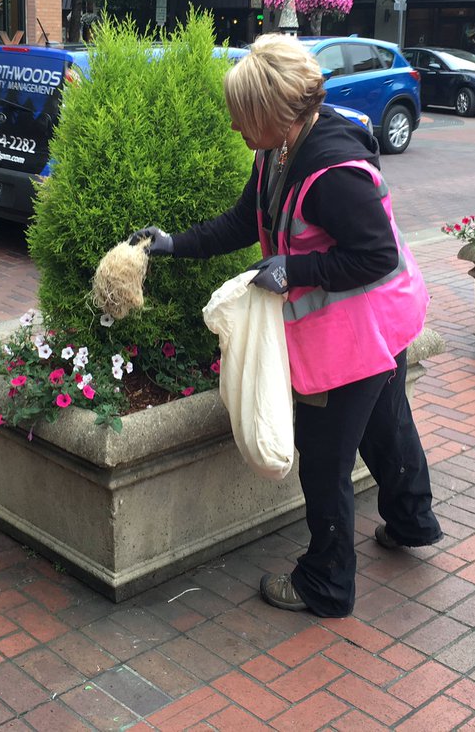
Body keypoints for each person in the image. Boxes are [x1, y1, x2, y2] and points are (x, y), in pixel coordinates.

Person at [127, 34, 442, 618]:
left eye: (242, 116)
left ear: (274, 112)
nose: (235, 127)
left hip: (353, 337)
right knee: (386, 426)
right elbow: (242, 222)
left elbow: (375, 254)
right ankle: (412, 521)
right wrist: (172, 244)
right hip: (380, 321)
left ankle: (326, 583)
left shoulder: (332, 173)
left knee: (323, 461)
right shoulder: (277, 151)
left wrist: (295, 270)